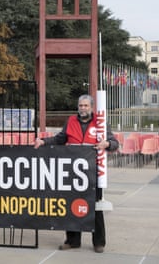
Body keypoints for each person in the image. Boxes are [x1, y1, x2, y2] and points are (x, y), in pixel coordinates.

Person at [33, 94, 119, 253]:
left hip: (93, 174)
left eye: (86, 106)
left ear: (92, 107)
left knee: (96, 208)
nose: (83, 108)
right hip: (72, 173)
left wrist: (106, 143)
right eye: (80, 106)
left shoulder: (99, 123)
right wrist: (43, 141)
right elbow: (60, 139)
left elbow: (114, 143)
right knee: (71, 207)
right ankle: (72, 240)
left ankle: (98, 242)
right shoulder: (71, 121)